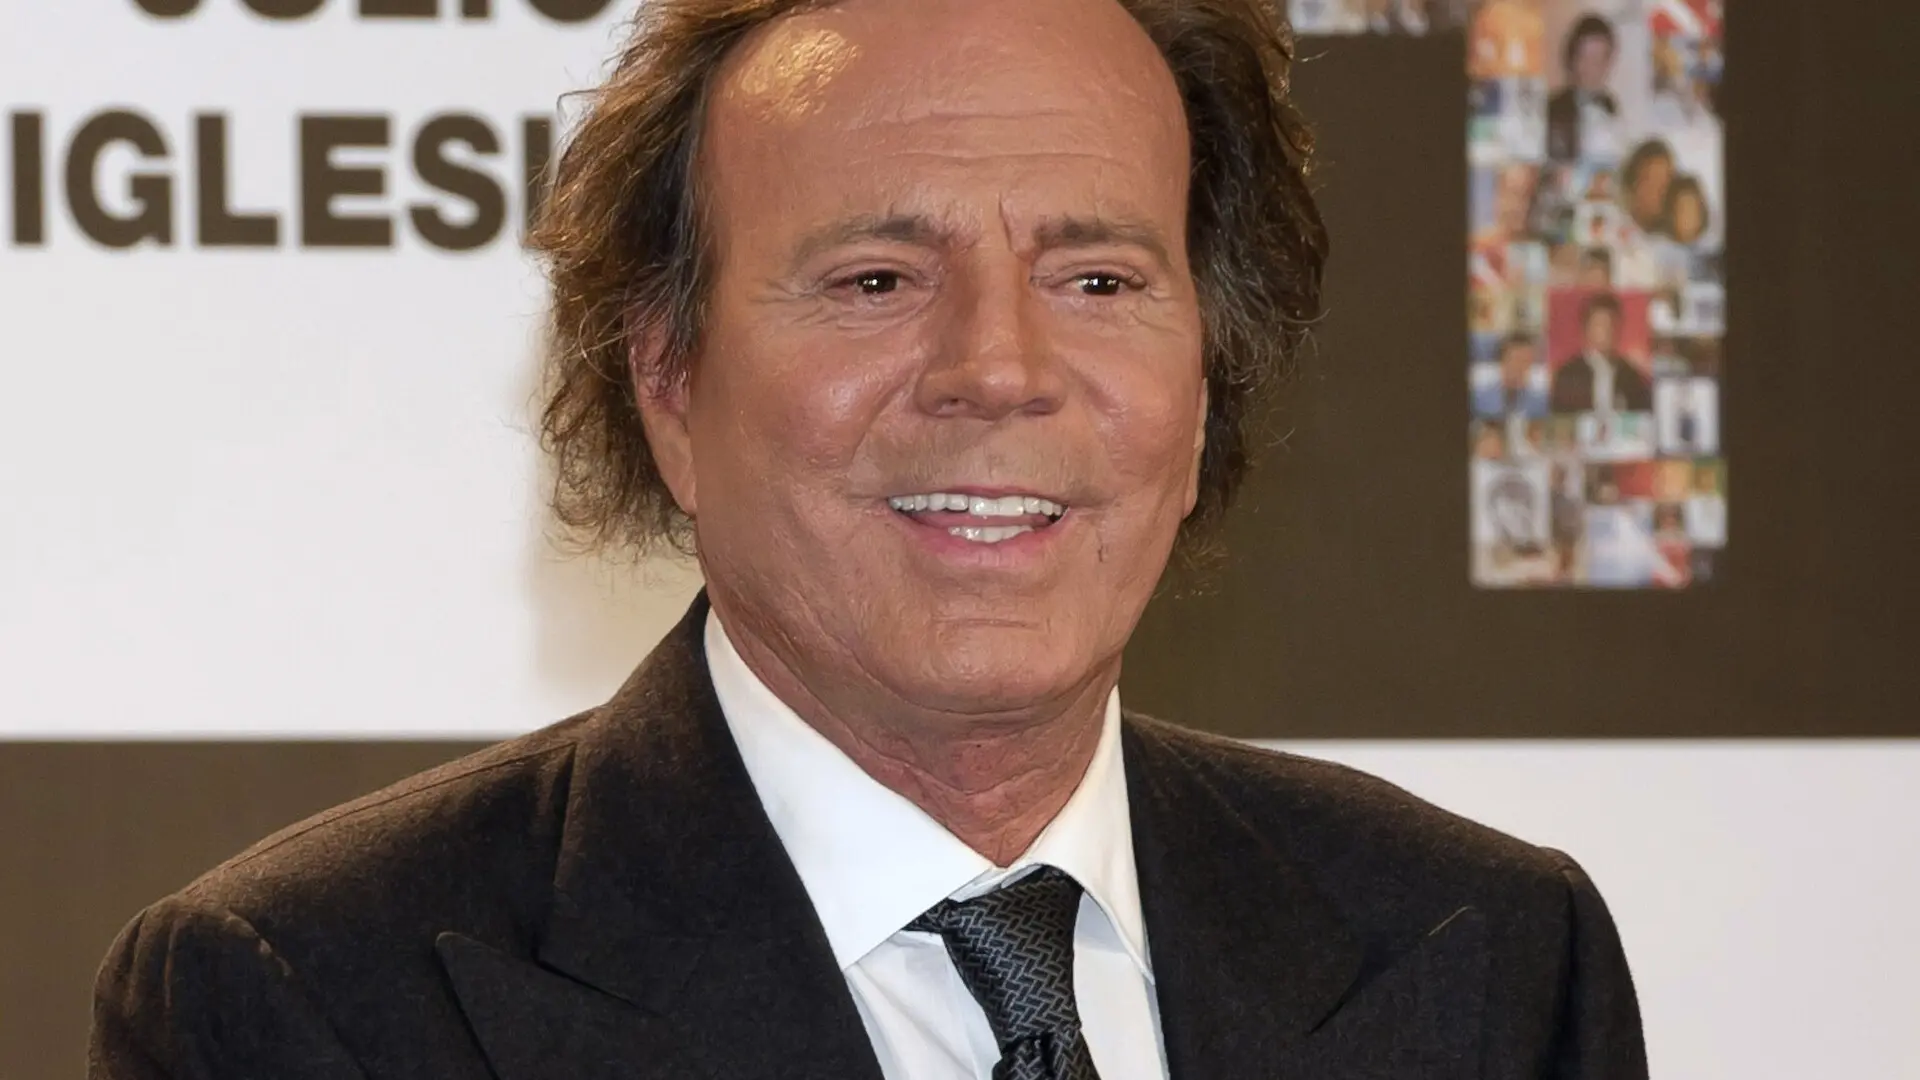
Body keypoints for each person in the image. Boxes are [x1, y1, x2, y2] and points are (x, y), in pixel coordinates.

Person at [88, 1, 1647, 1078]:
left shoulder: (1492, 963)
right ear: (670, 383)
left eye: (1098, 281)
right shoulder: (306, 1005)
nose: (999, 368)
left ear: (1203, 386)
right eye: (876, 281)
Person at [1553, 291, 1654, 413]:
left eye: (1612, 324)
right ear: (1587, 329)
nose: (1607, 331)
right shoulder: (1568, 375)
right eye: (1600, 325)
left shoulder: (1630, 376)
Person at [1546, 14, 1620, 162]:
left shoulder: (1610, 105)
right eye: (1585, 58)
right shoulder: (1554, 108)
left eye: (1598, 60)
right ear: (1572, 59)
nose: (1591, 68)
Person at [1474, 332, 1549, 419]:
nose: (1521, 366)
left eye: (1526, 360)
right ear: (1502, 361)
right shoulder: (1479, 399)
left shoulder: (1540, 402)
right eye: (1517, 359)